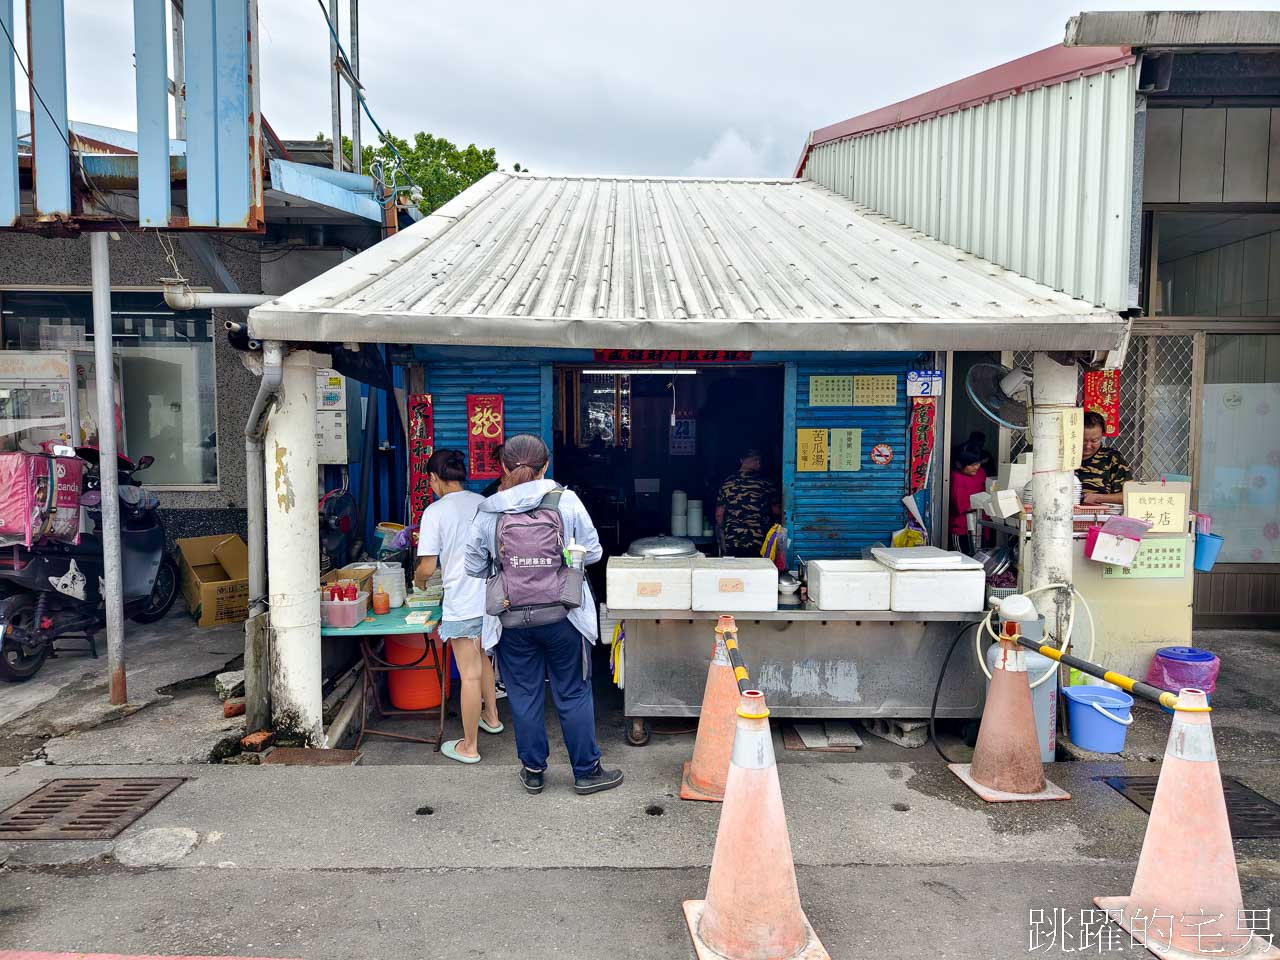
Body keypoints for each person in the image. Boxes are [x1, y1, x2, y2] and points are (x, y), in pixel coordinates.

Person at [464, 434, 623, 797]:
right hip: (564, 615)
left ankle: (534, 771)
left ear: (502, 466)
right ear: (545, 465)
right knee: (573, 692)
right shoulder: (565, 501)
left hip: (510, 619)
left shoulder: (489, 510)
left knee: (523, 695)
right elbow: (594, 552)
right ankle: (586, 772)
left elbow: (474, 566)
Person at [413, 449, 503, 765]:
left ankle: (469, 746)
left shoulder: (435, 512)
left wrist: (418, 582)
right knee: (483, 658)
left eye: (430, 481)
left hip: (462, 602)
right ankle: (492, 717)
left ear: (435, 479)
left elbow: (427, 567)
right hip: (490, 599)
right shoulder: (483, 504)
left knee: (468, 675)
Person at [715, 448, 781, 558]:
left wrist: (722, 530)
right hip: (758, 539)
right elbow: (777, 510)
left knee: (736, 572)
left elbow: (719, 514)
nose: (759, 463)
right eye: (757, 460)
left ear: (741, 460)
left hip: (732, 538)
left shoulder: (728, 482)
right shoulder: (765, 483)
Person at [1077, 411, 1131, 505]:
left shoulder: (1112, 458)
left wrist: (1098, 498)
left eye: (1094, 441)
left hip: (1101, 516)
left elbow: (1128, 496)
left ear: (1102, 436)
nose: (1088, 446)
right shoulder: (1062, 457)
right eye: (1083, 440)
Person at [949, 445, 987, 555]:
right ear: (959, 464)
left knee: (980, 557)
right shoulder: (956, 477)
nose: (976, 467)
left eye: (978, 463)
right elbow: (959, 502)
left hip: (979, 525)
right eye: (971, 465)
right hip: (960, 527)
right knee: (963, 557)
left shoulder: (981, 473)